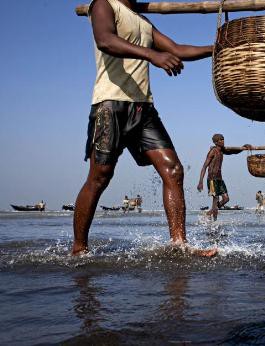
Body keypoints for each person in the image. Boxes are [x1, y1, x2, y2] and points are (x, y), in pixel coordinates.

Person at [72, 0, 217, 257]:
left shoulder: (143, 21)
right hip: (110, 106)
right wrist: (152, 54)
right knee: (100, 177)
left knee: (173, 170)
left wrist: (215, 49)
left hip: (143, 109)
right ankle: (79, 248)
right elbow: (105, 40)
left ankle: (179, 244)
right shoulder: (104, 5)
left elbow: (176, 49)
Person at [197, 134, 250, 220]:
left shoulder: (222, 151)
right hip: (212, 179)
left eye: (223, 139)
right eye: (220, 140)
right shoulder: (213, 151)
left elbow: (233, 152)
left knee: (226, 199)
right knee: (216, 199)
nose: (223, 141)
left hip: (219, 179)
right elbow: (204, 167)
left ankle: (209, 213)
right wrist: (200, 182)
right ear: (215, 142)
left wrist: (243, 147)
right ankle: (214, 221)